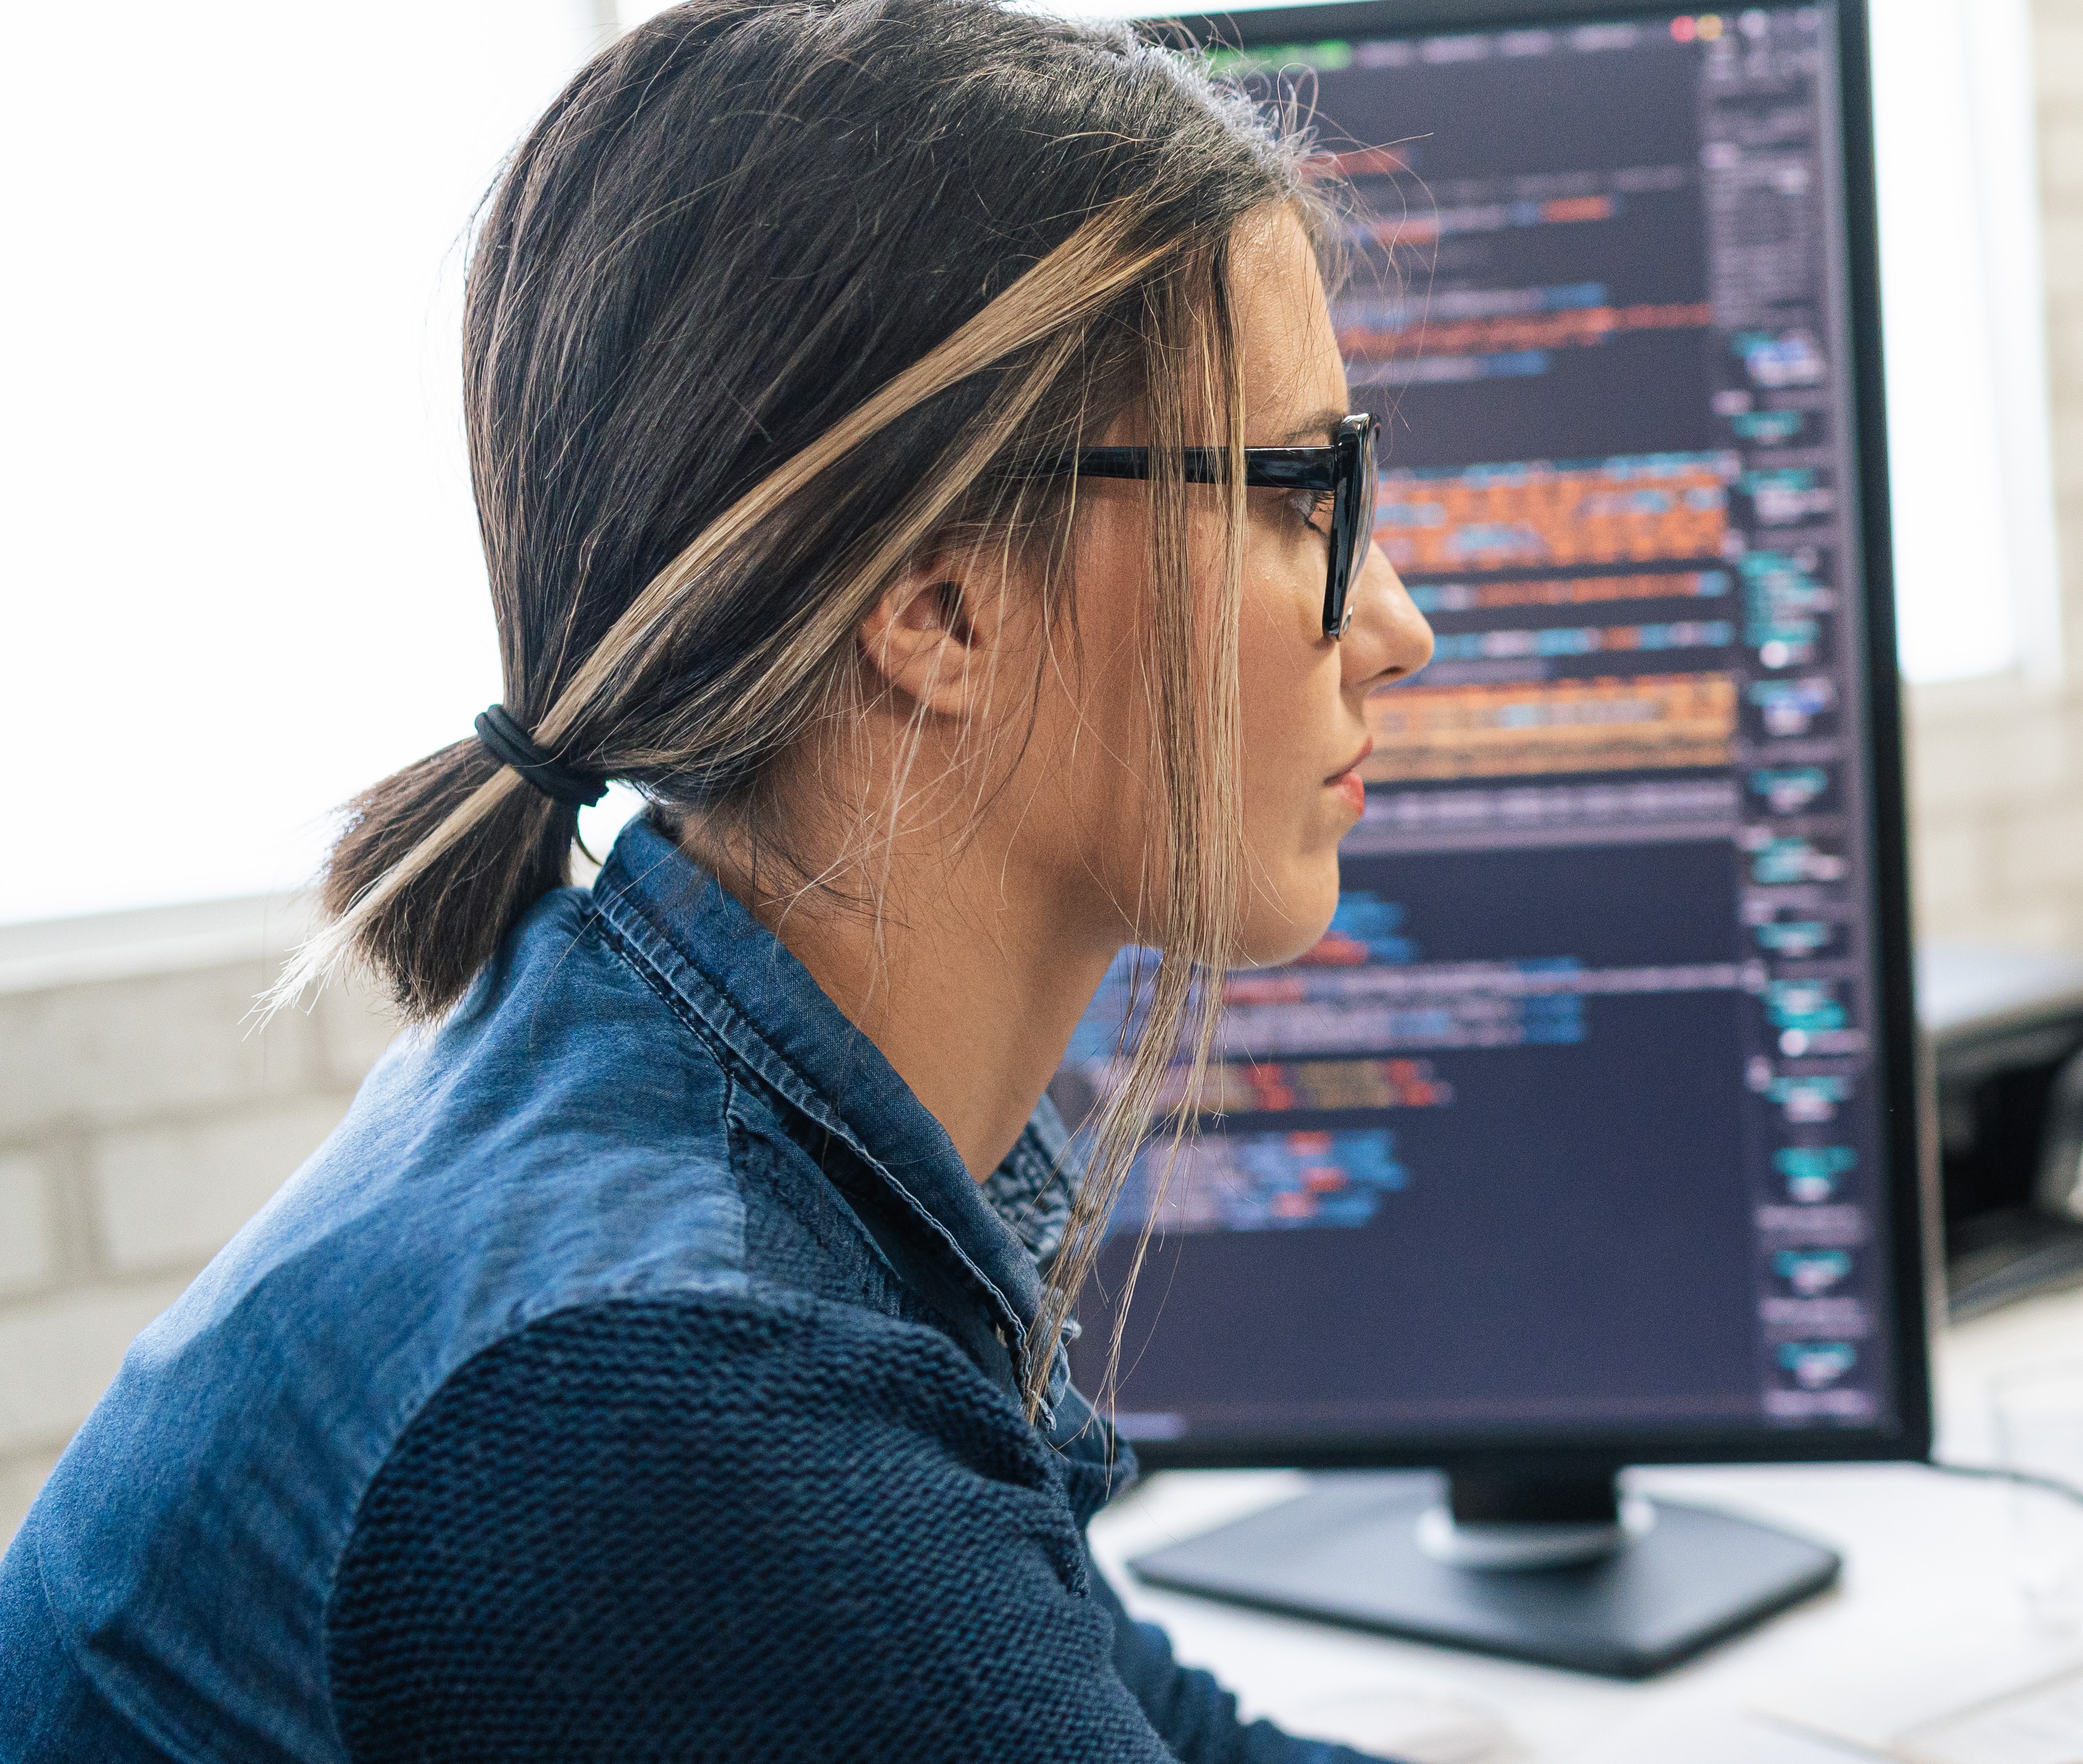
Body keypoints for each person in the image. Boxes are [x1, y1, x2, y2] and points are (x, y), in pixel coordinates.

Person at [0, 3, 1421, 1757]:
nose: (1396, 627)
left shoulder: (701, 1109)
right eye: (1300, 494)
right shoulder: (686, 1408)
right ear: (935, 600)